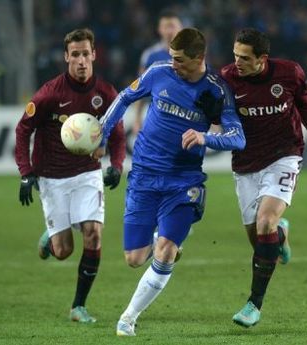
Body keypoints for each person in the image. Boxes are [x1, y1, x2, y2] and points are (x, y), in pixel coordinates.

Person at [95, 28, 246, 336]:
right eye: (171, 57)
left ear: (199, 58)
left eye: (179, 59)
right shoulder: (158, 72)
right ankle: (165, 238)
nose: (173, 63)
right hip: (144, 176)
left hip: (183, 181)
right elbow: (125, 98)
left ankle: (128, 317)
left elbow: (238, 137)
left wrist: (206, 136)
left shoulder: (217, 91)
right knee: (134, 259)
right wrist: (103, 129)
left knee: (164, 250)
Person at [220, 28, 307, 327]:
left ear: (262, 59)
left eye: (245, 58)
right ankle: (282, 234)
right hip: (246, 162)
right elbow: (221, 116)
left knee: (265, 223)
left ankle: (254, 304)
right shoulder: (226, 78)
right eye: (235, 55)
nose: (237, 62)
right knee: (263, 244)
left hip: (284, 155)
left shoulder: (289, 73)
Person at [14, 28, 126, 323]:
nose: (80, 61)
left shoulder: (105, 94)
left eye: (85, 54)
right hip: (51, 177)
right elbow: (22, 128)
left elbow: (118, 134)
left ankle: (78, 306)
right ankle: (51, 237)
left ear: (94, 55)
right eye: (74, 55)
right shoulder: (50, 93)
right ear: (66, 57)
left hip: (88, 173)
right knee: (63, 251)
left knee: (93, 234)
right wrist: (26, 173)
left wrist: (116, 164)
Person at [132, 10, 183, 134]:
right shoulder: (150, 55)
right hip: (157, 117)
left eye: (172, 26)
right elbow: (140, 88)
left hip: (185, 116)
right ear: (159, 29)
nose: (169, 31)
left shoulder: (192, 54)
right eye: (166, 27)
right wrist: (137, 119)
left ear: (181, 28)